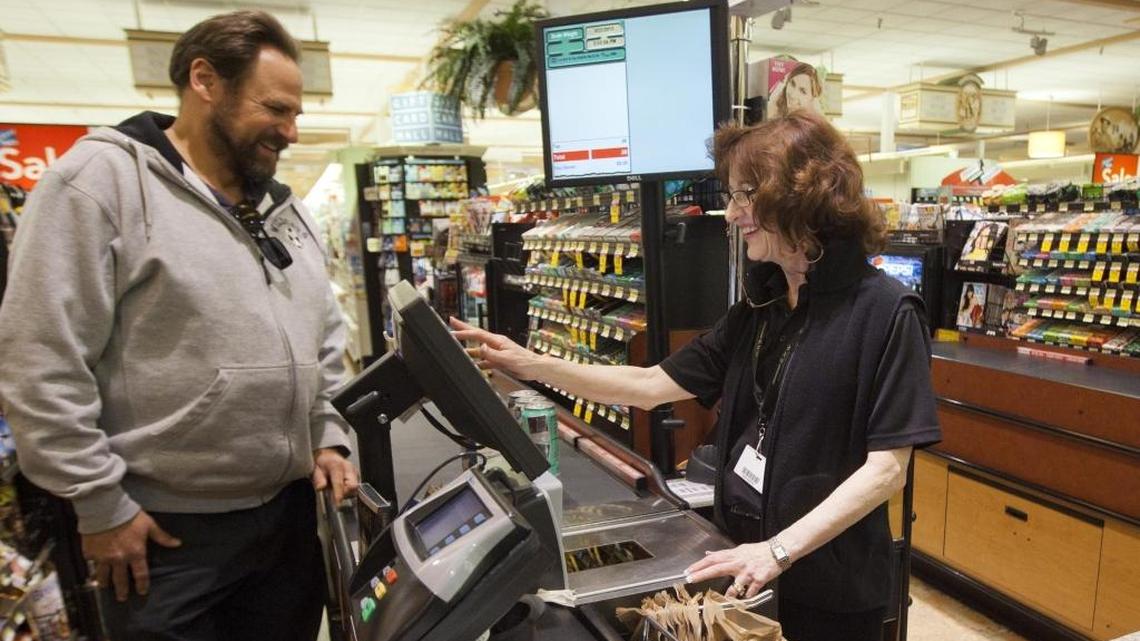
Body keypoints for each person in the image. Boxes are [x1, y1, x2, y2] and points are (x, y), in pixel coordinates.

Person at [452, 111, 941, 641]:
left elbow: (888, 469)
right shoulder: (762, 305)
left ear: (796, 194)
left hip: (829, 590)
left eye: (742, 196)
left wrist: (777, 551)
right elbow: (651, 385)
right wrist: (530, 365)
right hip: (745, 568)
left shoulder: (887, 312)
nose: (730, 214)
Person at [0, 10, 358, 640]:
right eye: (276, 109)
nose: (291, 131)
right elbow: (41, 357)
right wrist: (99, 503)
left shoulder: (282, 208)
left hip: (286, 520)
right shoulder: (98, 184)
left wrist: (327, 433)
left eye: (296, 114)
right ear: (205, 81)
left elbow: (325, 335)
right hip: (163, 534)